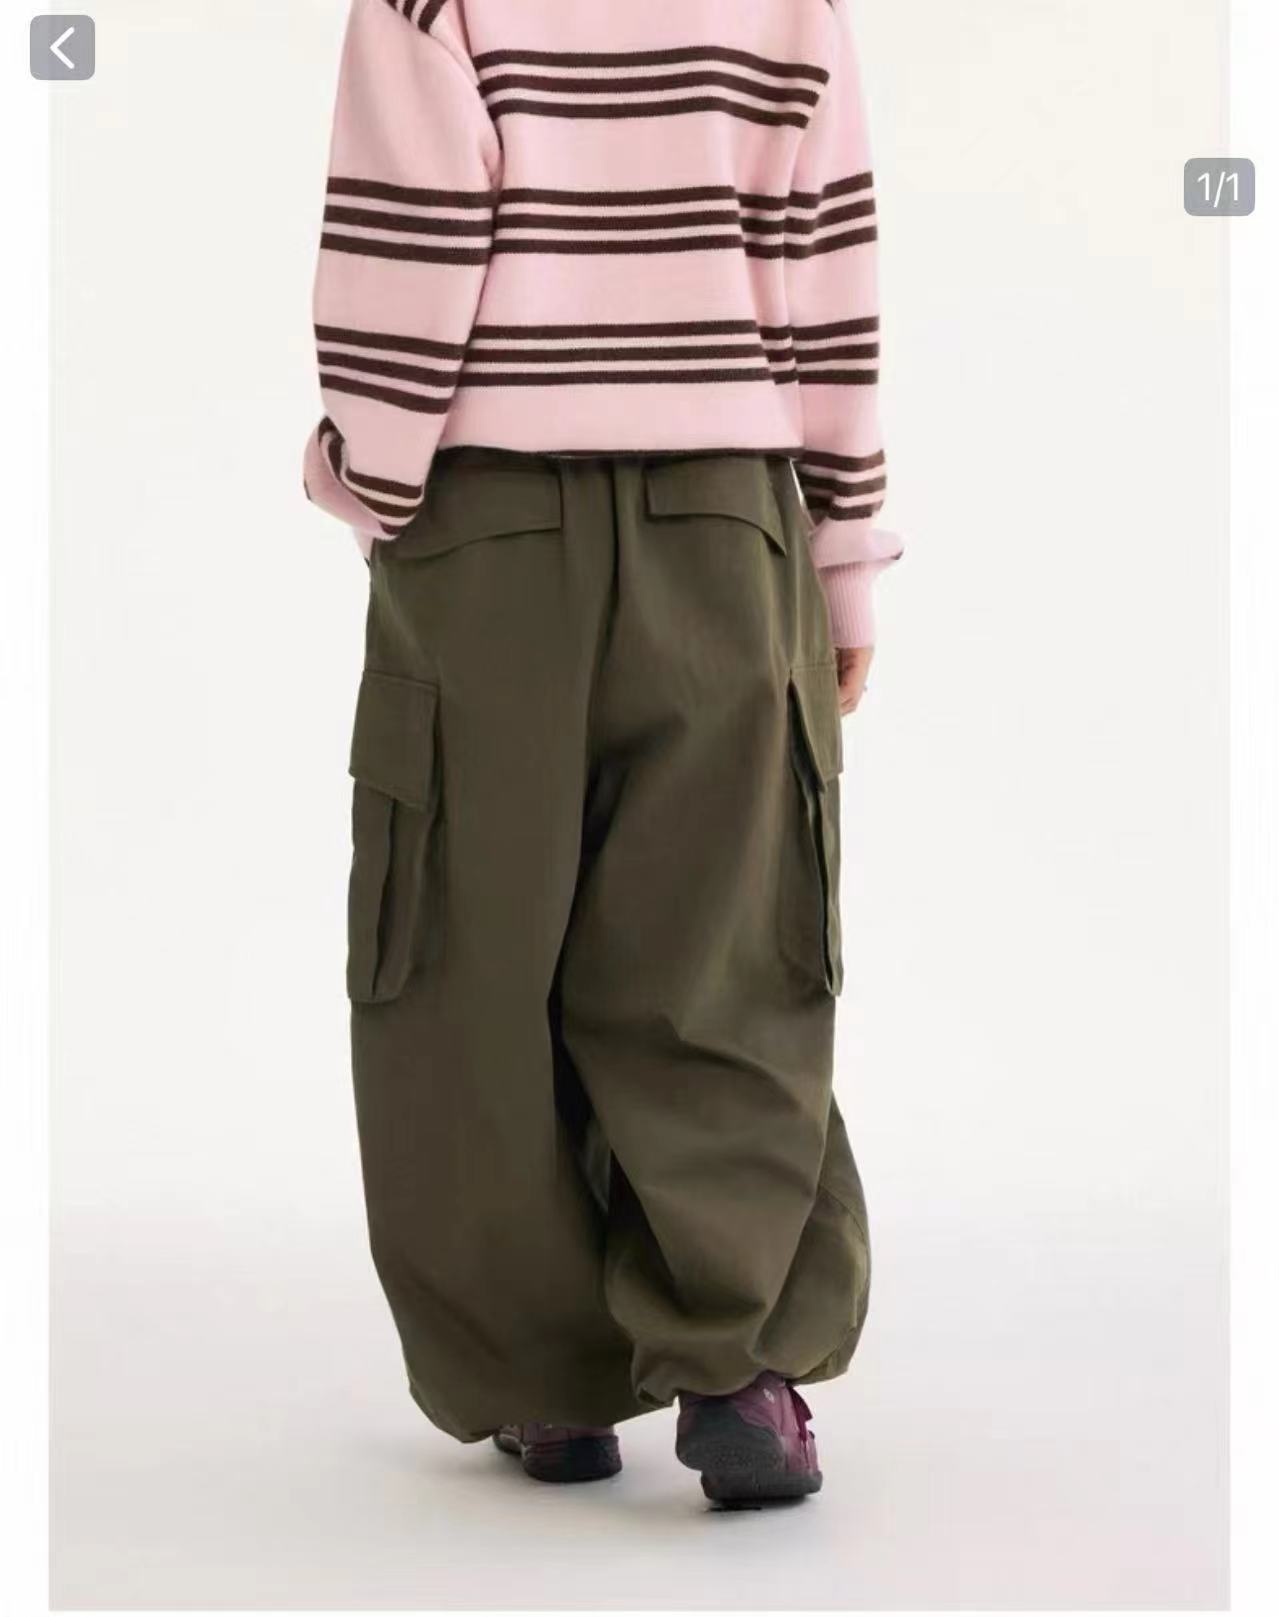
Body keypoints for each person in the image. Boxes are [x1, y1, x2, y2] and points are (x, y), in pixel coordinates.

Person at [303, 0, 899, 1506]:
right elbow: (826, 274)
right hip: (727, 518)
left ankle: (544, 1377)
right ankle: (737, 1367)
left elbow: (409, 245)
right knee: (724, 945)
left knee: (467, 958)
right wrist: (843, 557)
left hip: (488, 519)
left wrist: (368, 473)